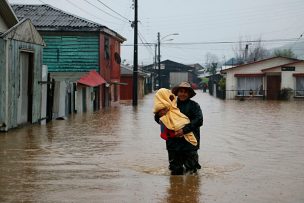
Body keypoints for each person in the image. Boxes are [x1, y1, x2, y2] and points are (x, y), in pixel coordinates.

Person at [154, 82, 203, 175]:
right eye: (181, 91)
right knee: (175, 171)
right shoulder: (169, 105)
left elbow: (199, 120)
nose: (183, 94)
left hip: (190, 143)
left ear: (189, 94)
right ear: (177, 93)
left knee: (192, 171)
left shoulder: (194, 106)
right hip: (173, 142)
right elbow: (160, 120)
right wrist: (159, 115)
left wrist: (183, 131)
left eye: (185, 92)